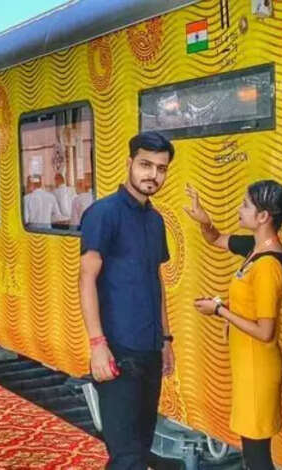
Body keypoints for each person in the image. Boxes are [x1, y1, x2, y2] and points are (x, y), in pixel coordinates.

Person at [186, 180, 282, 470]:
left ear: (263, 216)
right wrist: (204, 220)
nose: (239, 209)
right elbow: (216, 239)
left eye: (245, 205)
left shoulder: (267, 265)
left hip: (258, 367)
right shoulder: (255, 248)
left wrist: (219, 310)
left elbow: (265, 332)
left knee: (257, 456)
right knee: (252, 452)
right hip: (247, 363)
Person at [78, 131, 175, 469]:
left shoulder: (155, 220)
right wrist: (97, 345)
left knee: (140, 447)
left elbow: (155, 279)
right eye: (146, 165)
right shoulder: (104, 213)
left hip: (149, 349)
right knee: (126, 456)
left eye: (161, 169)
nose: (153, 175)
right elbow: (86, 278)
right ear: (129, 163)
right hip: (117, 349)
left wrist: (166, 340)